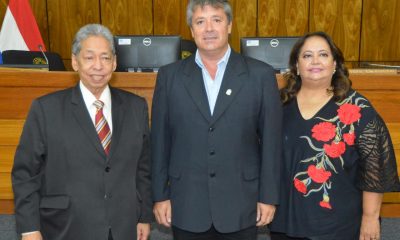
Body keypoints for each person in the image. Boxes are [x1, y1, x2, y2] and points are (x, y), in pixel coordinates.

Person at [151, 0, 282, 239]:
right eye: (200, 22)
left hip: (242, 203)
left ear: (230, 26)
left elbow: (272, 142)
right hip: (186, 203)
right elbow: (160, 141)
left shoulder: (260, 75)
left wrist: (268, 197)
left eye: (217, 20)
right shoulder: (169, 77)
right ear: (191, 30)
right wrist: (160, 195)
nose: (208, 28)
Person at [12, 24, 152, 240]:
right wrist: (29, 228)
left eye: (105, 58)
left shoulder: (136, 107)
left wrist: (143, 216)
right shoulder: (46, 109)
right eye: (89, 57)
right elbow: (25, 173)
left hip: (123, 226)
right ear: (75, 62)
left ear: (114, 63)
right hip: (65, 227)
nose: (98, 65)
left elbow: (143, 168)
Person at [270, 31, 400, 240]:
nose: (315, 61)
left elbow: (374, 168)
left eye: (323, 54)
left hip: (338, 223)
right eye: (307, 55)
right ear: (296, 65)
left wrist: (370, 217)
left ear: (335, 64)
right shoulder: (278, 104)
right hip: (286, 221)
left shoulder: (357, 109)